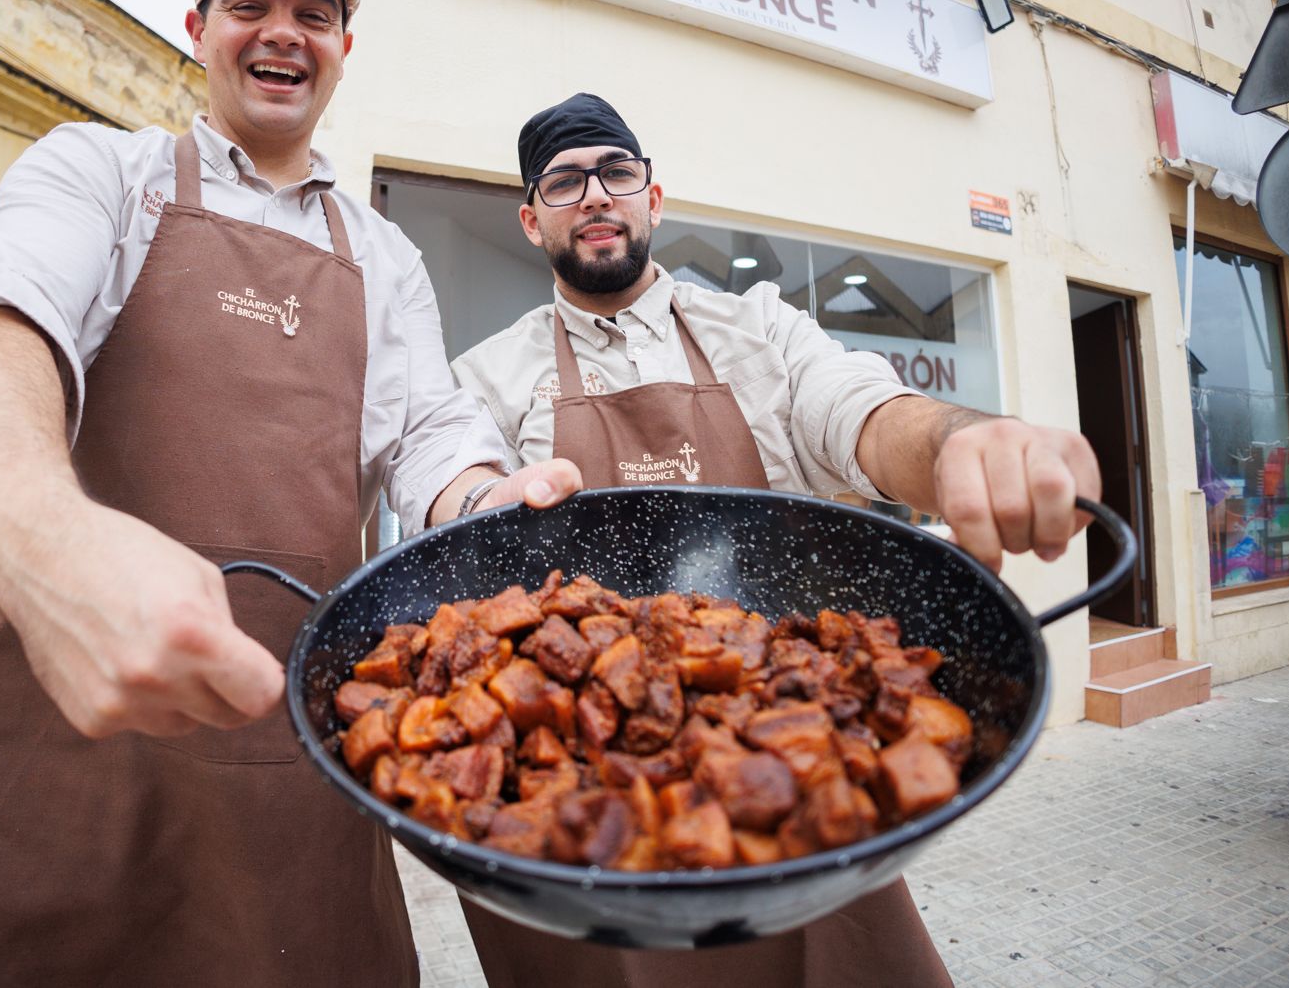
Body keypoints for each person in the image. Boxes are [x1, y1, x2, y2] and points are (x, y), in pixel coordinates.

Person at [0, 0, 579, 986]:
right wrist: (35, 532)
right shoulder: (104, 172)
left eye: (314, 13)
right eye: (250, 4)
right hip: (63, 734)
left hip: (286, 745)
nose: (283, 32)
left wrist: (489, 498)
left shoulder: (382, 254)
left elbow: (430, 440)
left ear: (341, 50)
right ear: (199, 30)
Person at [448, 92, 1103, 988]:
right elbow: (458, 488)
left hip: (785, 758)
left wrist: (951, 442)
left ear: (653, 198)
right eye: (564, 182)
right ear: (532, 219)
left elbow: (859, 411)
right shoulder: (487, 373)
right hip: (572, 813)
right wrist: (484, 500)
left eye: (616, 173)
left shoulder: (758, 327)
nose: (594, 195)